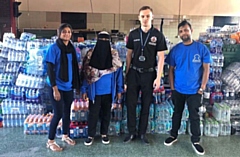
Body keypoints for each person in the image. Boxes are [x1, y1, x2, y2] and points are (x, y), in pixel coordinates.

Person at [164, 20, 211, 155]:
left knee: (194, 116)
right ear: (179, 34)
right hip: (178, 89)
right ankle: (173, 135)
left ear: (191, 31)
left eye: (185, 30)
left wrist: (202, 87)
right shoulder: (176, 50)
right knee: (176, 113)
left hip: (195, 90)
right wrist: (172, 88)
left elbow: (206, 69)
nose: (183, 33)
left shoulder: (201, 48)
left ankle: (195, 141)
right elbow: (171, 70)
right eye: (181, 31)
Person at [124, 6, 167, 145]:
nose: (145, 19)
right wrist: (126, 74)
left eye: (148, 16)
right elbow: (129, 55)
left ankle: (142, 133)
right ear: (139, 18)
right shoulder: (133, 34)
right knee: (130, 104)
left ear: (152, 17)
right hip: (134, 73)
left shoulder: (158, 35)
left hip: (149, 74)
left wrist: (158, 77)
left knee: (146, 105)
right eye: (142, 16)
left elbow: (161, 57)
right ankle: (131, 132)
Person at [81, 31, 124, 146]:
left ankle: (104, 134)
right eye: (101, 40)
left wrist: (119, 90)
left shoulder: (114, 55)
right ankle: (90, 135)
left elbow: (119, 74)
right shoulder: (90, 55)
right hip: (94, 93)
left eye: (106, 40)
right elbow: (85, 74)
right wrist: (84, 90)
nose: (104, 42)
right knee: (93, 114)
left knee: (106, 114)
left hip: (109, 91)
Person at [45, 23, 80, 151]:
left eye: (69, 32)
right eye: (64, 31)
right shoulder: (53, 48)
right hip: (57, 86)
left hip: (68, 86)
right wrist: (55, 88)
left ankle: (65, 135)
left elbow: (75, 68)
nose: (67, 34)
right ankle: (50, 140)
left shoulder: (72, 49)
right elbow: (49, 69)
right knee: (58, 113)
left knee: (67, 112)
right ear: (59, 33)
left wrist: (76, 85)